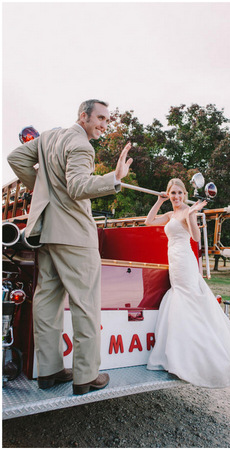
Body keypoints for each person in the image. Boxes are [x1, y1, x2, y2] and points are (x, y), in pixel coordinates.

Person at [7, 99, 133, 395]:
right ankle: (85, 377)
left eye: (106, 119)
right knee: (85, 304)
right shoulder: (82, 146)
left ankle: (49, 372)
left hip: (46, 232)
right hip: (75, 236)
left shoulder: (49, 137)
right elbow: (78, 187)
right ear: (83, 116)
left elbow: (16, 158)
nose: (104, 124)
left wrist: (43, 189)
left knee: (47, 301)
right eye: (100, 118)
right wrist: (114, 178)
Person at [144, 178, 230, 387]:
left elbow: (196, 238)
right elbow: (149, 221)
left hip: (184, 261)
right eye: (173, 193)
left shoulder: (187, 212)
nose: (177, 197)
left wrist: (191, 215)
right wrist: (159, 201)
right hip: (174, 260)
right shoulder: (170, 213)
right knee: (182, 299)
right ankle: (182, 354)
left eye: (180, 193)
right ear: (169, 194)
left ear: (185, 195)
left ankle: (196, 358)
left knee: (187, 299)